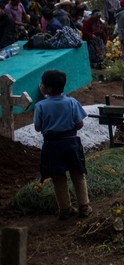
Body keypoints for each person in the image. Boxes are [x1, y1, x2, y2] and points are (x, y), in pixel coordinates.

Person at [33, 70, 92, 220]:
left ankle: (65, 209)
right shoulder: (72, 102)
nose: (40, 85)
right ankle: (84, 206)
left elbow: (38, 127)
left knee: (58, 178)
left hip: (52, 145)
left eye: (42, 84)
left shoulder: (40, 106)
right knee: (78, 175)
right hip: (71, 143)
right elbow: (79, 124)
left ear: (48, 89)